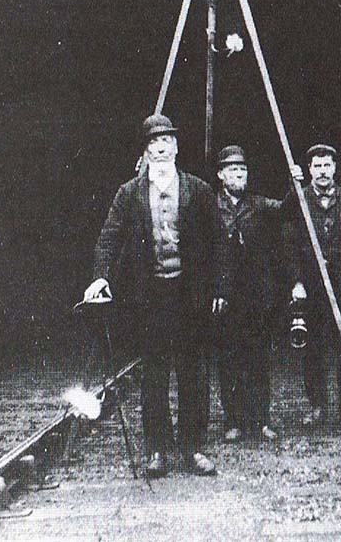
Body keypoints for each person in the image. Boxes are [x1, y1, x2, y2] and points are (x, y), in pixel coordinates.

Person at [85, 114, 221, 477]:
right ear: (146, 152)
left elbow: (218, 242)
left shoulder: (198, 190)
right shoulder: (129, 193)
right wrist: (100, 277)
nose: (160, 149)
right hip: (150, 297)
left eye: (166, 142)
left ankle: (193, 447)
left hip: (189, 294)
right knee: (154, 374)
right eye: (153, 143)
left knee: (192, 371)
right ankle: (157, 449)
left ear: (175, 147)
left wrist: (218, 287)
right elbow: (109, 236)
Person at [284, 144, 341, 427]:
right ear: (309, 170)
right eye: (317, 166)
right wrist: (297, 281)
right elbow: (289, 243)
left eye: (327, 165)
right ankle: (317, 406)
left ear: (334, 168)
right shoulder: (299, 199)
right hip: (312, 285)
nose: (322, 171)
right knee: (314, 348)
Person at [213, 145, 297, 442]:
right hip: (225, 295)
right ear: (221, 175)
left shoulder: (258, 204)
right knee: (229, 360)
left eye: (243, 169)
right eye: (233, 169)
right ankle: (233, 421)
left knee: (258, 359)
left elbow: (286, 208)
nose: (239, 174)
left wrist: (294, 183)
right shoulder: (210, 206)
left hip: (256, 296)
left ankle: (261, 420)